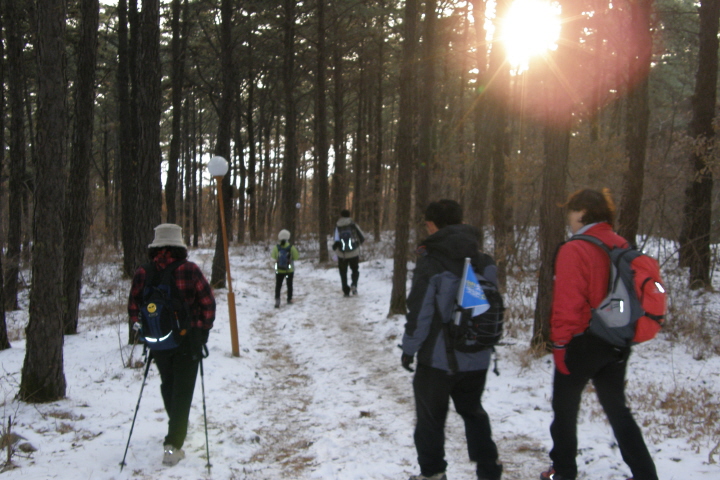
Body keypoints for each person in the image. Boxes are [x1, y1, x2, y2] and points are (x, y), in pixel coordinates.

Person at [540, 189, 658, 480]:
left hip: (583, 342)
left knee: (564, 409)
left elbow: (568, 304)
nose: (569, 219)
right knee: (618, 410)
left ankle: (563, 471)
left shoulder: (575, 248)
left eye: (570, 212)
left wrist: (559, 345)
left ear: (581, 212)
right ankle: (645, 474)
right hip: (618, 340)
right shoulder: (621, 244)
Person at [401, 200, 503, 480]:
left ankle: (433, 473)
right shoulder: (484, 261)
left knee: (430, 420)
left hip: (437, 361)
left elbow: (420, 313)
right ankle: (489, 469)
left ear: (432, 225)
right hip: (477, 354)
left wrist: (409, 349)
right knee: (473, 412)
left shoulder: (431, 262)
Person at [128, 223, 216, 467]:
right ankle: (173, 444)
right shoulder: (190, 270)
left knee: (169, 384)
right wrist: (201, 330)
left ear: (156, 246)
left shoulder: (143, 272)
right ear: (179, 246)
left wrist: (144, 330)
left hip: (158, 342)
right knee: (183, 391)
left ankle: (176, 426)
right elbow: (208, 304)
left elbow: (134, 307)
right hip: (188, 341)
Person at [332, 209, 365, 296]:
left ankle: (346, 291)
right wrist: (357, 245)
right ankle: (354, 285)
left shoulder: (337, 226)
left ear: (341, 216)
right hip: (354, 253)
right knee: (355, 270)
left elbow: (335, 240)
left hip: (341, 254)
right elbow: (362, 237)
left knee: (343, 272)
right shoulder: (353, 225)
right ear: (349, 215)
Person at [271, 229, 300, 308]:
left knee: (278, 285)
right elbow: (296, 257)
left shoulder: (276, 247)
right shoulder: (291, 247)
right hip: (289, 270)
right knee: (289, 284)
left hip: (279, 270)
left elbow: (273, 257)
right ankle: (289, 299)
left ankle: (277, 300)